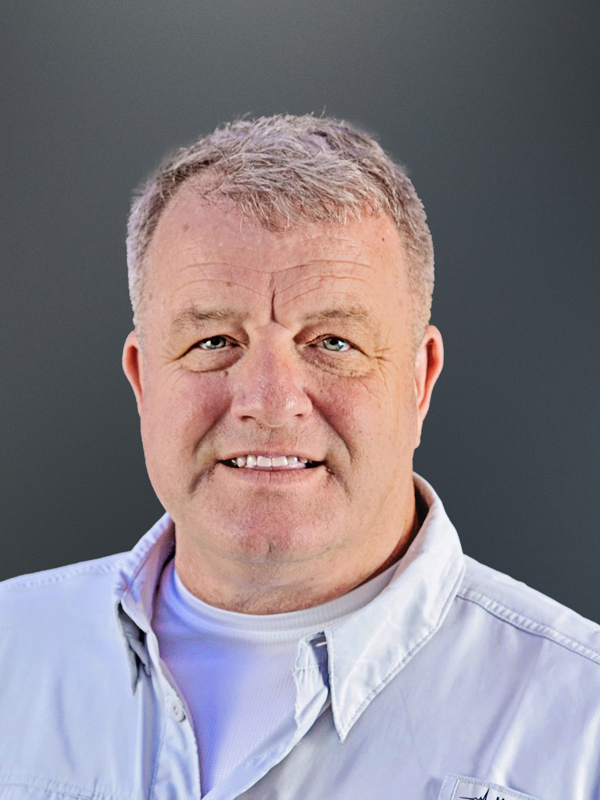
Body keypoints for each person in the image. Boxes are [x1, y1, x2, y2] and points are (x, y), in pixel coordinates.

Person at [1, 115, 599, 800]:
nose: (269, 401)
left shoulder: (582, 726)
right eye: (214, 341)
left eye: (333, 342)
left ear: (419, 381)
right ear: (142, 381)